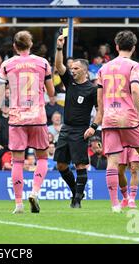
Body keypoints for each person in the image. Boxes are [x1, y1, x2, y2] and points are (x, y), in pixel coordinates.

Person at [95, 30, 139, 213]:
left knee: (113, 161)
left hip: (110, 118)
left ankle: (115, 205)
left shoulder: (103, 68)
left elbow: (100, 99)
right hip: (128, 117)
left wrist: (99, 120)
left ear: (116, 47)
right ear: (133, 48)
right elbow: (135, 91)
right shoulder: (133, 66)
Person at [0, 31, 55, 214]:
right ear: (31, 44)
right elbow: (51, 93)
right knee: (42, 157)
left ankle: (18, 204)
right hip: (38, 117)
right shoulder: (42, 63)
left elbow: (0, 96)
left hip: (17, 118)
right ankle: (34, 192)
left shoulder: (7, 65)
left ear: (14, 46)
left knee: (17, 161)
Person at [53, 35, 98, 209]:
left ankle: (77, 200)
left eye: (76, 68)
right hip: (66, 128)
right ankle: (76, 191)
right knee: (61, 165)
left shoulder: (92, 89)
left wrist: (93, 127)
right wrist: (59, 48)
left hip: (81, 130)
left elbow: (100, 109)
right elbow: (58, 65)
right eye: (71, 68)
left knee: (80, 165)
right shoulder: (70, 82)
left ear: (85, 71)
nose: (72, 70)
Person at [118, 97, 139, 210]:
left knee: (134, 169)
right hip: (121, 137)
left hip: (137, 137)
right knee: (119, 171)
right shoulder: (119, 98)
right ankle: (125, 197)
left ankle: (132, 198)